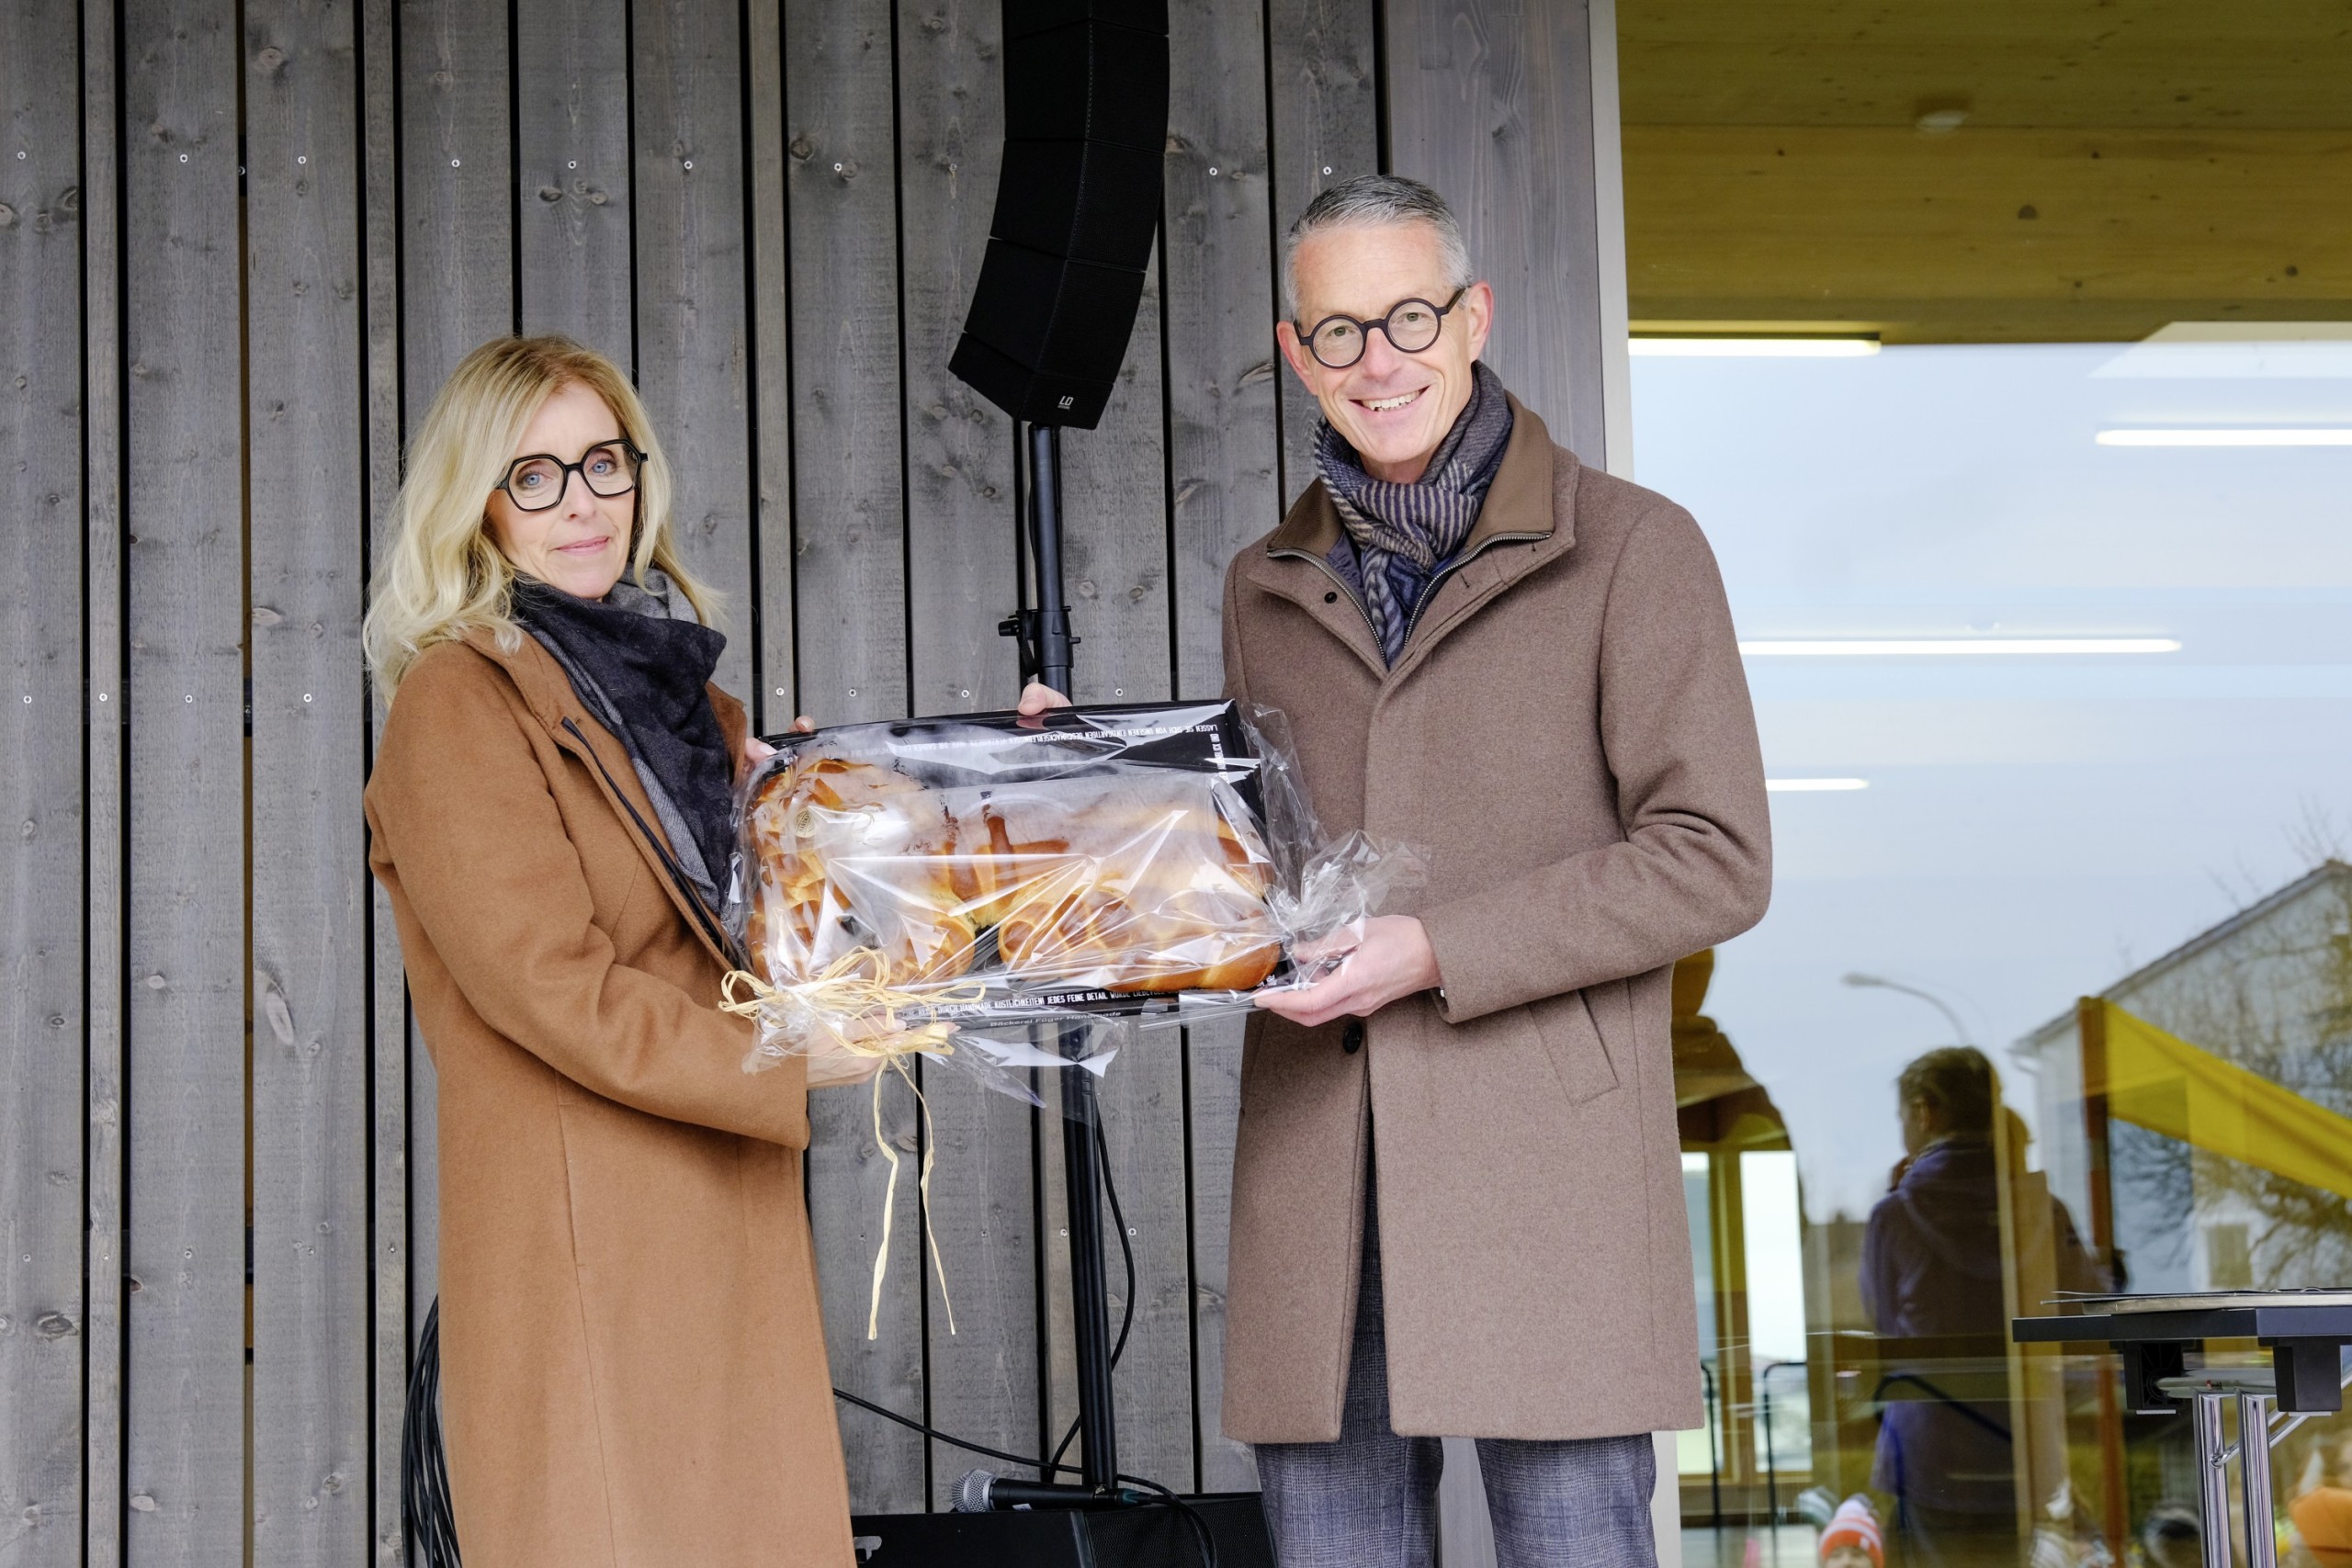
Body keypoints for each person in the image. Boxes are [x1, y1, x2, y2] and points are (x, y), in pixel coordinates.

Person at [1214, 174, 1772, 1567]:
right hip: (1322, 1165)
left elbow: (1716, 858)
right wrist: (1092, 778)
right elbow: (1257, 854)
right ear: (1298, 354)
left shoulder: (1637, 548)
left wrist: (1436, 945)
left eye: (1408, 316)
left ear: (1474, 318)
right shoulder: (1262, 582)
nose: (1377, 359)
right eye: (1337, 332)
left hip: (1545, 1160)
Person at [363, 335, 869, 1566]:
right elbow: (555, 987)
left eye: (602, 462)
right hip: (593, 1257)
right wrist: (791, 1055)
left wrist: (802, 825)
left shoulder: (681, 704)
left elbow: (749, 943)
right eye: (533, 475)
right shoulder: (457, 702)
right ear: (476, 506)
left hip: (717, 1225)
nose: (581, 500)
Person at [1860, 1045, 2103, 1566]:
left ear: (1926, 1112)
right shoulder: (2044, 1210)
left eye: (1904, 1116)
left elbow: (1885, 1330)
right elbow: (2081, 1311)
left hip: (1929, 1452)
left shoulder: (1896, 1216)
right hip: (2021, 1447)